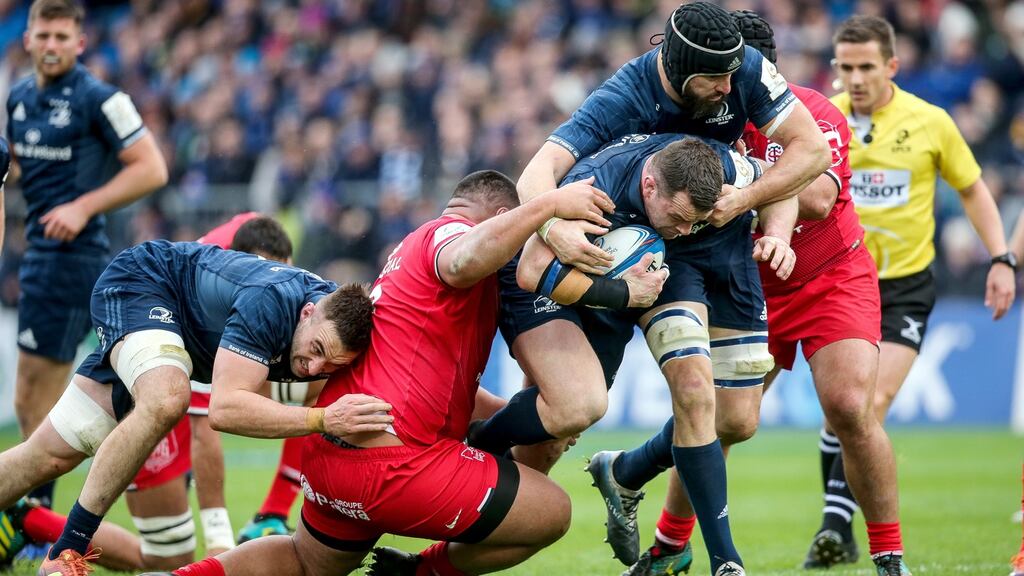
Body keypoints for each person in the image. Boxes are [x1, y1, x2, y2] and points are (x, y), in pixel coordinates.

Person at [133, 169, 616, 576]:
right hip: (393, 466)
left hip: (330, 460)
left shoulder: (406, 258)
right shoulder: (445, 237)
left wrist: (526, 414)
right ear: (495, 219)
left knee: (304, 561)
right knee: (553, 512)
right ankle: (417, 572)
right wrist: (547, 204)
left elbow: (434, 386)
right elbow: (468, 253)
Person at [501, 4, 827, 572]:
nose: (730, 88)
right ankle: (722, 561)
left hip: (719, 233)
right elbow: (536, 175)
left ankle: (625, 471)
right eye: (714, 80)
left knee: (737, 419)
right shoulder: (623, 96)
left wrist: (754, 212)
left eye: (733, 75)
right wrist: (554, 227)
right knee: (586, 415)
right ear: (675, 67)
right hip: (643, 247)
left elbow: (811, 154)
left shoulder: (744, 71)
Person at [587, 11, 911, 576]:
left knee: (851, 405)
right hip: (750, 279)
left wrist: (750, 180)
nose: (727, 93)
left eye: (738, 80)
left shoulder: (811, 115)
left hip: (827, 274)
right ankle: (667, 540)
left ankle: (889, 557)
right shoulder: (703, 127)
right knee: (722, 418)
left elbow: (817, 197)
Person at [470, 134, 797, 576]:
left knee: (727, 416)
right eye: (679, 218)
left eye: (694, 222)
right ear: (649, 188)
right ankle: (480, 445)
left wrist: (775, 230)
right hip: (543, 276)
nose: (684, 232)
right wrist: (624, 292)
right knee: (577, 406)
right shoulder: (594, 189)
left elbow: (786, 179)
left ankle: (622, 478)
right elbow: (532, 271)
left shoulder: (726, 169)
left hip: (625, 284)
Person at [0, 238, 389, 575]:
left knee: (48, 456)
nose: (315, 368)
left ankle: (35, 524)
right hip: (144, 285)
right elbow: (224, 410)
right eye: (317, 350)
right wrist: (323, 418)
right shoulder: (270, 302)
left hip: (175, 338)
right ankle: (66, 550)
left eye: (331, 365)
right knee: (169, 397)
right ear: (308, 312)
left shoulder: (333, 328)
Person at [798, 14, 1015, 571]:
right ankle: (839, 527)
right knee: (843, 412)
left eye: (867, 66)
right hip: (840, 284)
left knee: (867, 405)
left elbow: (972, 190)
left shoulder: (930, 122)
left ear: (893, 65)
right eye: (845, 68)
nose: (856, 78)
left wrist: (1001, 258)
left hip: (903, 288)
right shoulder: (820, 123)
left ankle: (834, 524)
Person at [6, 0, 167, 514]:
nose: (51, 45)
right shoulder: (19, 98)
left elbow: (152, 168)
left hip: (74, 259)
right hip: (37, 254)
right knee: (30, 396)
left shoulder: (101, 98)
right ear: (27, 39)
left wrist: (82, 206)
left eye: (61, 36)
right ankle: (35, 512)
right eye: (43, 35)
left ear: (79, 43)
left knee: (43, 396)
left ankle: (35, 518)